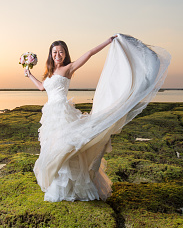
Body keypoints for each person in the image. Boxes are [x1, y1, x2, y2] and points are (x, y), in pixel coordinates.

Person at [25, 34, 170, 202]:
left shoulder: (69, 68)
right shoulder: (50, 73)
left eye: (61, 52)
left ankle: (72, 188)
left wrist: (107, 42)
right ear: (50, 54)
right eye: (55, 52)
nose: (58, 55)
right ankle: (59, 187)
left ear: (65, 54)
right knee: (54, 147)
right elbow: (42, 88)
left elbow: (89, 53)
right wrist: (29, 75)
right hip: (50, 115)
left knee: (67, 147)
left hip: (62, 113)